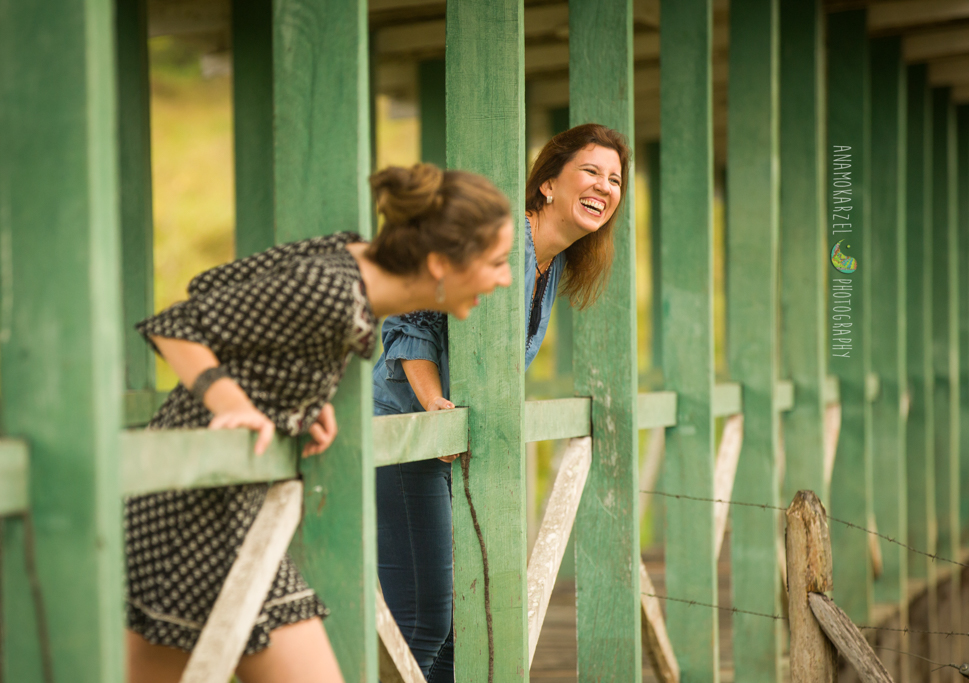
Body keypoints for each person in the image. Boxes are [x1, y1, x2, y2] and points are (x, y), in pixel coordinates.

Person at [125, 163, 514, 683]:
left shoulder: (349, 261)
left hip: (234, 516)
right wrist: (232, 403)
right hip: (186, 516)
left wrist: (300, 397)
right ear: (441, 263)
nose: (507, 278)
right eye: (497, 262)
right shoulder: (332, 290)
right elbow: (177, 324)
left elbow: (215, 285)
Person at [373, 123, 631, 682]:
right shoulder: (502, 237)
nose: (605, 187)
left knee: (459, 629)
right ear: (548, 185)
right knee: (422, 622)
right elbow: (410, 310)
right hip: (405, 433)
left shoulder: (553, 261)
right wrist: (431, 401)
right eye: (590, 171)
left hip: (456, 446)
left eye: (614, 179)